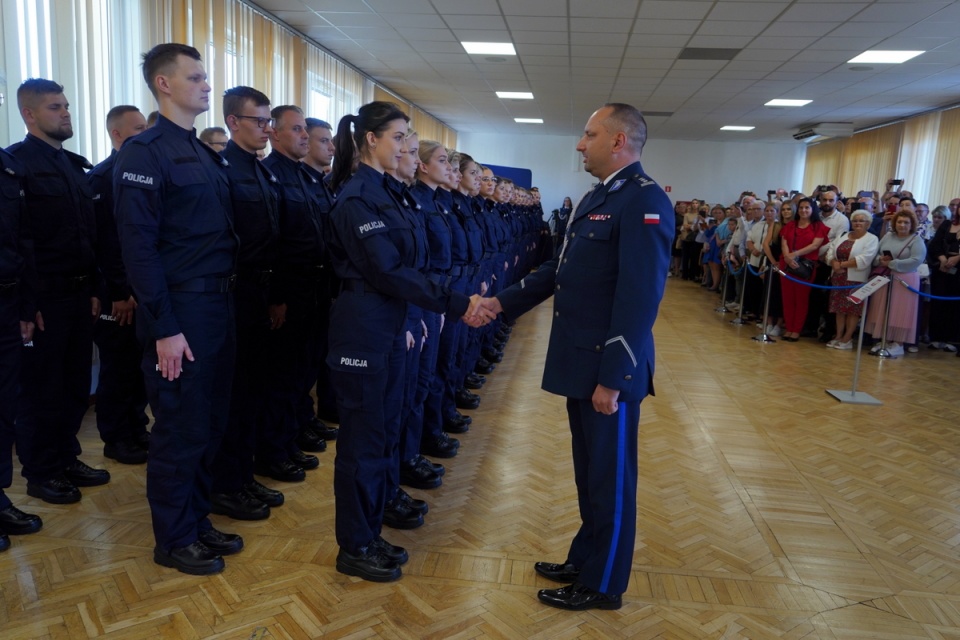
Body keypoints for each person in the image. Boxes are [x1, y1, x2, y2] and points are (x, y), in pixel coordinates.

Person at [476, 103, 673, 611]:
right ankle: (587, 556)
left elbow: (638, 298)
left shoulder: (645, 201)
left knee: (611, 479)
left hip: (607, 369)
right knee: (590, 473)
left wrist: (613, 377)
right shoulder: (599, 197)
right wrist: (502, 301)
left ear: (618, 141)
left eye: (589, 135)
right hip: (580, 361)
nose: (580, 145)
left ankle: (604, 583)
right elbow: (559, 272)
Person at [325, 101, 490, 583]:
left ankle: (369, 531)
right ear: (371, 140)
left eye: (408, 139)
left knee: (384, 430)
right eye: (397, 137)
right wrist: (457, 303)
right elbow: (388, 271)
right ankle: (353, 545)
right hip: (363, 327)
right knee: (362, 442)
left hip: (390, 322)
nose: (404, 147)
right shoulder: (358, 198)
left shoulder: (391, 195)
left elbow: (410, 268)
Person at [113, 43, 242, 575]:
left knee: (209, 424)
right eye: (196, 77)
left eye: (206, 77)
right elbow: (138, 250)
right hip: (181, 310)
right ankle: (173, 538)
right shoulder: (145, 153)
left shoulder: (203, 154)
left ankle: (196, 520)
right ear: (164, 84)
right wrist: (165, 327)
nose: (207, 85)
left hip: (218, 306)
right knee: (179, 428)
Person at [8, 78, 110, 505]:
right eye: (54, 107)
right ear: (29, 114)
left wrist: (95, 287)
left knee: (73, 386)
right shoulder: (15, 165)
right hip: (44, 298)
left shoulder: (73, 166)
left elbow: (90, 235)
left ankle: (66, 457)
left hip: (78, 292)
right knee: (41, 390)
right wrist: (27, 305)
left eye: (66, 105)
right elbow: (19, 242)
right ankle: (42, 471)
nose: (66, 112)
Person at [209, 86, 284, 521]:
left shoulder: (261, 170)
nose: (266, 129)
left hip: (260, 293)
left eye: (268, 121)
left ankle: (243, 474)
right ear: (234, 122)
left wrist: (274, 297)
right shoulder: (223, 169)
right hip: (234, 294)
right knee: (233, 396)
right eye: (259, 121)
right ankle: (226, 484)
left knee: (254, 390)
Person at [88, 105, 150, 465]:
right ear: (116, 134)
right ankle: (116, 438)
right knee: (118, 369)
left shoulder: (144, 172)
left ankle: (136, 427)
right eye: (138, 129)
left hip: (143, 293)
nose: (146, 134)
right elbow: (106, 245)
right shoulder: (103, 177)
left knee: (139, 369)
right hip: (119, 296)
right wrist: (120, 294)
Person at [0, 133, 43, 552]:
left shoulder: (7, 167)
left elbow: (23, 243)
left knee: (3, 408)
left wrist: (27, 307)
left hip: (8, 301)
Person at [863, 210, 926, 357]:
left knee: (901, 311)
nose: (902, 225)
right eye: (899, 222)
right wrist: (880, 260)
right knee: (883, 309)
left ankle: (898, 343)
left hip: (905, 279)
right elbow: (877, 253)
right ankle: (885, 339)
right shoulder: (888, 236)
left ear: (912, 225)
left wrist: (893, 263)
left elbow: (917, 260)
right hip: (885, 276)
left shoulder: (916, 240)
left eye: (906, 222)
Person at [824, 211, 879, 349]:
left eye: (862, 221)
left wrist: (841, 264)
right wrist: (833, 262)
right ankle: (838, 335)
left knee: (852, 310)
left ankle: (847, 338)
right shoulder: (843, 235)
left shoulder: (871, 238)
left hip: (856, 279)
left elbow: (865, 258)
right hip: (838, 277)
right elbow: (831, 251)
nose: (858, 223)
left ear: (868, 223)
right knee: (839, 309)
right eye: (855, 220)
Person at [778, 197, 828, 341]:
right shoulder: (790, 225)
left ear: (813, 209)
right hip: (786, 264)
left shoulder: (818, 226)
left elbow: (814, 246)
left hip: (805, 265)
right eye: (801, 207)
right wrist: (788, 257)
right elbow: (784, 242)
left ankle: (796, 330)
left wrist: (794, 255)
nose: (803, 210)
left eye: (807, 207)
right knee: (787, 298)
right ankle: (788, 328)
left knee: (801, 299)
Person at [926, 204, 960, 352]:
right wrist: (942, 259)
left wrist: (957, 258)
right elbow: (935, 244)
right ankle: (936, 337)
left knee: (955, 305)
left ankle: (954, 339)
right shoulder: (947, 224)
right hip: (942, 267)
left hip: (959, 269)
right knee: (938, 302)